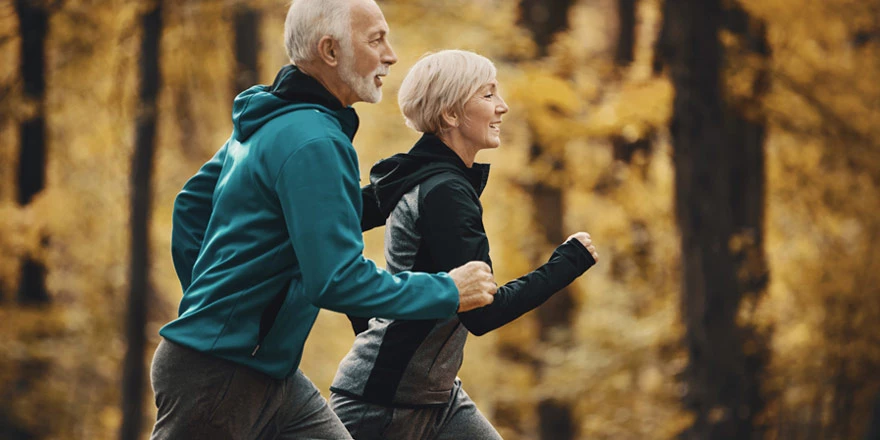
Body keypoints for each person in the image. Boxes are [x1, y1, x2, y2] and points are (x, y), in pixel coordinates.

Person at [149, 2, 498, 439]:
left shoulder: (271, 119)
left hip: (267, 372)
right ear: (330, 51)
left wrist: (218, 307)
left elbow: (191, 209)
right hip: (219, 377)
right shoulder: (314, 140)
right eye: (375, 40)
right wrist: (448, 289)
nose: (390, 55)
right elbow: (336, 280)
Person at [329, 50, 600, 440]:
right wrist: (567, 261)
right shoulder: (443, 191)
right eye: (488, 95)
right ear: (451, 115)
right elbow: (483, 314)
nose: (502, 107)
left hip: (437, 398)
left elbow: (337, 230)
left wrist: (372, 319)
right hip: (381, 406)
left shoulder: (422, 177)